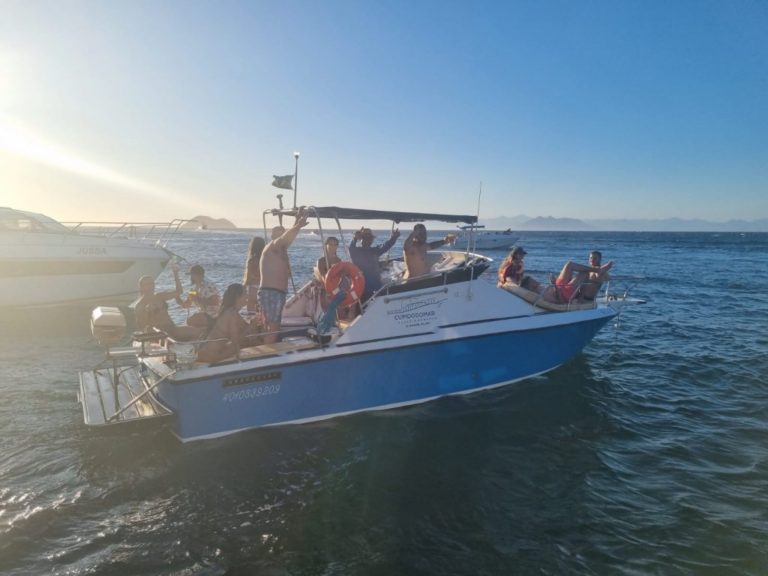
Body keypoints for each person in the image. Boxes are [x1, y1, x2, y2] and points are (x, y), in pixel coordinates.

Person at [258, 207, 309, 344]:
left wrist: (296, 222)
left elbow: (288, 238)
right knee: (273, 327)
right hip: (271, 292)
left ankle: (267, 348)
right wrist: (298, 225)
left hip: (277, 293)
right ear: (273, 235)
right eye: (281, 234)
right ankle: (268, 353)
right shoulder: (272, 246)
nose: (284, 237)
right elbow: (284, 239)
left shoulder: (281, 250)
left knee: (272, 326)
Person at [134, 269, 204, 341]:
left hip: (172, 329)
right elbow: (142, 326)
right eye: (147, 284)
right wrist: (147, 312)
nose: (151, 286)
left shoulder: (160, 296)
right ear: (141, 287)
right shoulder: (140, 305)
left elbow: (179, 292)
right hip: (159, 334)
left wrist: (175, 274)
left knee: (199, 331)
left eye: (152, 283)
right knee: (193, 325)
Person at [196, 283, 250, 363]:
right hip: (211, 356)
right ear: (238, 297)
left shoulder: (227, 310)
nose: (248, 296)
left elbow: (244, 324)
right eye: (245, 294)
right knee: (239, 346)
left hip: (203, 352)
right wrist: (250, 328)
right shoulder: (232, 314)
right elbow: (235, 341)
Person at [349, 227, 400, 301]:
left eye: (369, 238)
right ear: (361, 240)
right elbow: (351, 247)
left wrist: (394, 237)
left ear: (372, 240)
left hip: (377, 287)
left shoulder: (375, 251)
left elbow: (386, 245)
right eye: (365, 238)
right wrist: (355, 238)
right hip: (362, 289)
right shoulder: (355, 252)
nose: (367, 240)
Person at [547, 250, 613, 303]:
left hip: (580, 298)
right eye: (590, 258)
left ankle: (599, 270)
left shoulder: (598, 274)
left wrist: (606, 267)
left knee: (571, 265)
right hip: (571, 294)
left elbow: (603, 276)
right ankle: (558, 285)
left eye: (595, 258)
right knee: (570, 265)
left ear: (600, 259)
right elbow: (607, 279)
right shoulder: (588, 271)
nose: (592, 260)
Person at [178, 264, 220, 330]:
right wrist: (177, 298)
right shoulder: (193, 288)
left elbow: (215, 301)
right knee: (189, 321)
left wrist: (198, 299)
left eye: (192, 275)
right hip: (203, 313)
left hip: (212, 315)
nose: (191, 277)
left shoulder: (208, 285)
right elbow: (187, 305)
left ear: (199, 275)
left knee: (191, 321)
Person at [243, 236, 266, 313]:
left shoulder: (252, 260)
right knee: (261, 311)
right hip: (264, 287)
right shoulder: (266, 259)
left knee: (251, 312)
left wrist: (243, 287)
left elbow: (248, 278)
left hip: (253, 287)